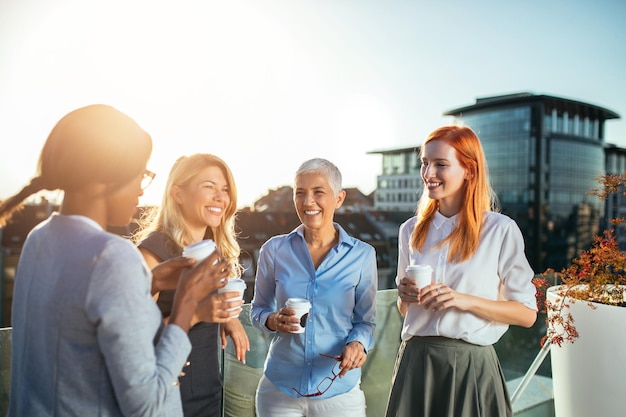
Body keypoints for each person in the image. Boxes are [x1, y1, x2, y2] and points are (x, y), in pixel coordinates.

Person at [1, 104, 232, 417]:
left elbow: (75, 320)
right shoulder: (112, 256)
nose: (140, 188)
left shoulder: (38, 239)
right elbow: (147, 404)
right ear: (104, 180)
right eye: (140, 174)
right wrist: (187, 306)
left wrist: (146, 282)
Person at [384, 125, 538, 417]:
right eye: (425, 163)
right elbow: (406, 310)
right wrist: (404, 297)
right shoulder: (410, 231)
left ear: (469, 170)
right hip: (416, 363)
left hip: (472, 367)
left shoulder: (499, 230)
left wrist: (463, 300)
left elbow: (527, 314)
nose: (428, 173)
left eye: (440, 164)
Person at [250, 158, 377, 417]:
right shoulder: (273, 250)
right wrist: (273, 320)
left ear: (339, 198)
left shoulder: (362, 255)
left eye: (318, 192)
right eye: (300, 193)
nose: (308, 202)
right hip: (279, 391)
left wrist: (357, 344)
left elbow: (366, 322)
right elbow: (258, 310)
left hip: (339, 390)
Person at [134, 153, 249, 417]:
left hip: (208, 397)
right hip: (166, 399)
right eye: (209, 187)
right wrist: (199, 313)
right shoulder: (151, 254)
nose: (221, 197)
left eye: (225, 190)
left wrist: (224, 317)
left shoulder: (211, 254)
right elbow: (135, 343)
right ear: (178, 194)